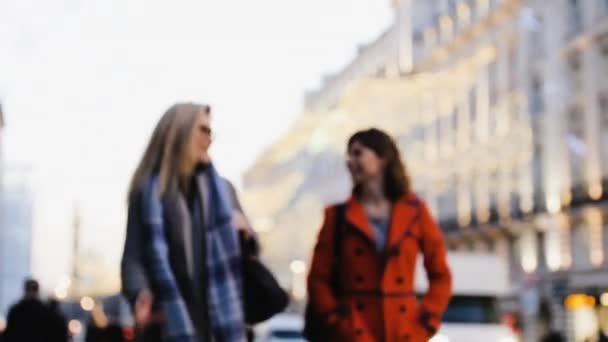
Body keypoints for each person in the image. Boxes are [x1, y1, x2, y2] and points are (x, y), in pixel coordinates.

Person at [121, 103, 252, 342]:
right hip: (168, 324)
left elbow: (247, 259)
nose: (210, 139)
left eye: (211, 132)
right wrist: (140, 293)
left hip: (219, 326)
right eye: (203, 130)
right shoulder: (147, 193)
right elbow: (133, 257)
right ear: (178, 132)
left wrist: (247, 235)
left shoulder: (225, 192)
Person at [307, 128, 453, 342]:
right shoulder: (336, 216)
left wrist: (425, 322)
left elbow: (441, 274)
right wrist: (338, 322)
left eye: (358, 153)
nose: (350, 161)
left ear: (382, 158)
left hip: (404, 333)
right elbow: (318, 279)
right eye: (348, 155)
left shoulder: (416, 212)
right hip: (353, 333)